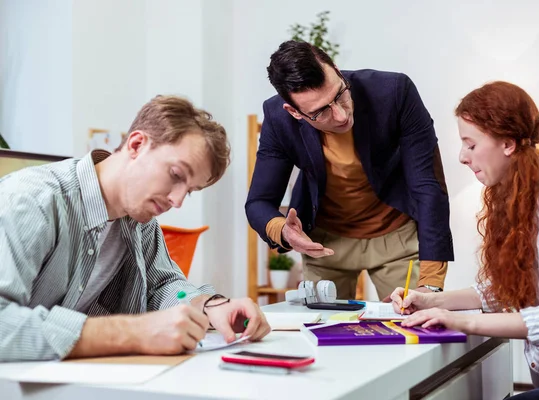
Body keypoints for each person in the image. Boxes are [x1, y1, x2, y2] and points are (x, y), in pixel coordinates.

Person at [0, 95, 270, 362]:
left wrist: (212, 306)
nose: (176, 201)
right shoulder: (29, 200)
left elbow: (164, 286)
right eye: (176, 175)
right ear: (137, 144)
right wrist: (134, 333)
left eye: (189, 191)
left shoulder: (141, 222)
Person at [390, 81, 539, 399]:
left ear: (508, 144)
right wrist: (434, 301)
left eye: (470, 145)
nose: (462, 157)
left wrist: (463, 323)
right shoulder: (522, 198)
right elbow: (507, 290)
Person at [246, 40, 453, 300]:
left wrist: (431, 284)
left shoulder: (395, 92)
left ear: (336, 69)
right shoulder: (278, 118)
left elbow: (428, 184)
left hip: (397, 236)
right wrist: (284, 231)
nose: (342, 115)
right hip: (324, 244)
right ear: (294, 112)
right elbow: (258, 202)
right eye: (320, 112)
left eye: (340, 94)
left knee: (413, 328)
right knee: (323, 333)